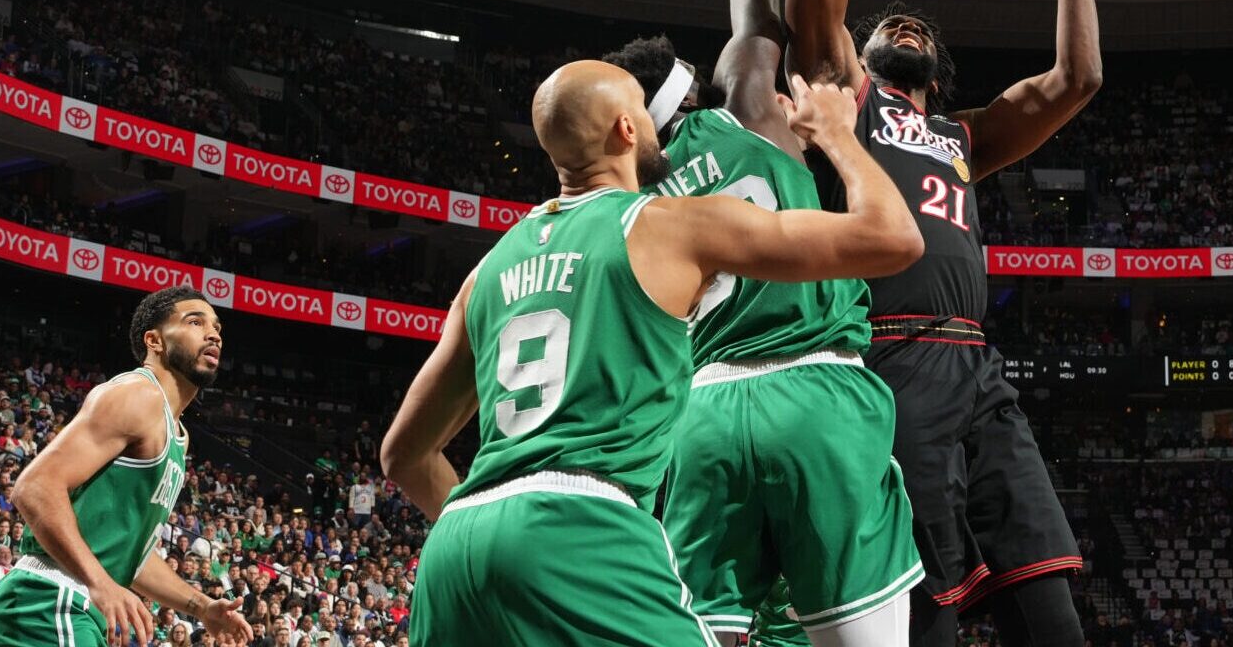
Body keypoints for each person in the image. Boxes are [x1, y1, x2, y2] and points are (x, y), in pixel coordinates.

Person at [382, 60, 922, 647]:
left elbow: (403, 455)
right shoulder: (664, 224)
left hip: (456, 548)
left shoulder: (487, 270)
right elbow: (892, 238)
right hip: (578, 526)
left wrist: (491, 537)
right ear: (626, 129)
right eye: (643, 105)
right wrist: (839, 134)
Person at [600, 0, 920, 647]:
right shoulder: (742, 106)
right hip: (813, 386)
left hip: (699, 418)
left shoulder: (612, 198)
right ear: (689, 94)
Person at [784, 0, 1100, 647]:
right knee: (927, 618)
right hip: (885, 357)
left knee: (1053, 619)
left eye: (920, 27)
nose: (908, 25)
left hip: (979, 368)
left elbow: (1077, 79)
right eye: (890, 23)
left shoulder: (964, 135)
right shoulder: (843, 97)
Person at [0, 286, 253, 647]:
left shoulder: (174, 434)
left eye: (217, 327)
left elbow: (130, 557)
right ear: (154, 340)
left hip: (65, 606)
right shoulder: (138, 394)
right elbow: (35, 487)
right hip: (46, 603)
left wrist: (201, 607)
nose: (213, 333)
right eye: (195, 322)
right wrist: (101, 582)